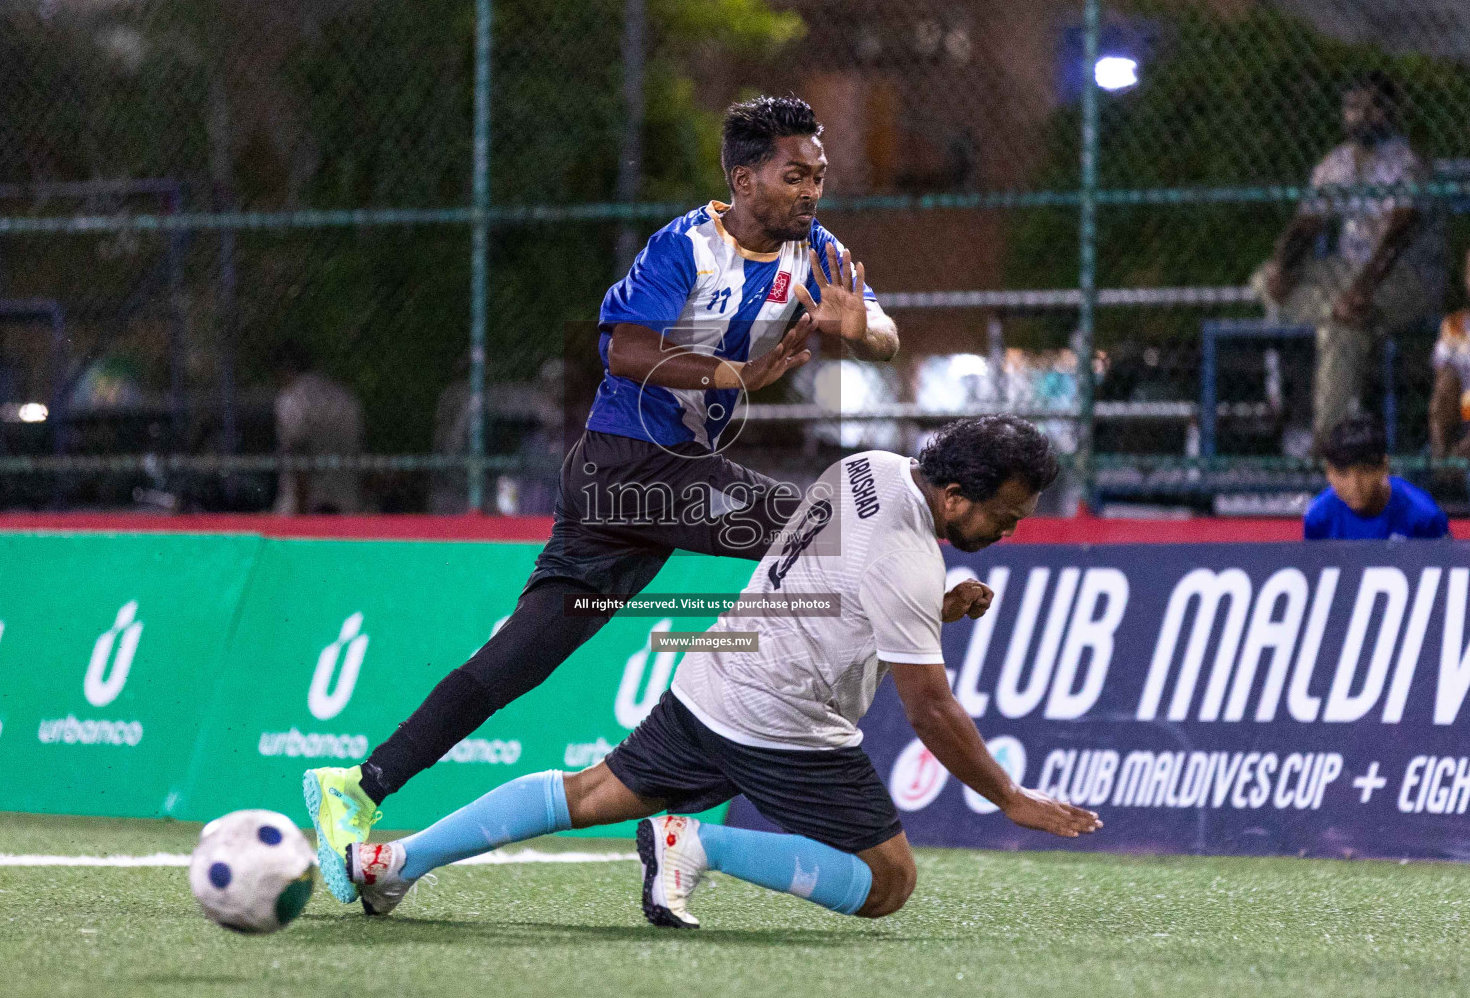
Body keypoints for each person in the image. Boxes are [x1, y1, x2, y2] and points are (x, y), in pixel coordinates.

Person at [305, 94, 902, 903]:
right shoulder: (688, 245)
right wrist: (742, 376)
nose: (811, 192)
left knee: (518, 661)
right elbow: (626, 352)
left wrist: (859, 328)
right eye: (795, 176)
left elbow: (883, 331)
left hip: (645, 485)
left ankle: (359, 784)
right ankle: (697, 803)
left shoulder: (815, 250)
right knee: (815, 534)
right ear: (744, 177)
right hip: (632, 469)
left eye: (819, 177)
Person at [340, 416, 1101, 924]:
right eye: (1007, 512)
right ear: (957, 496)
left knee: (591, 791)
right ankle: (697, 844)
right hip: (784, 724)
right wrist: (1010, 799)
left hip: (716, 680)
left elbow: (849, 571)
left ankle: (393, 860)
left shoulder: (873, 468)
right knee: (888, 884)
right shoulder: (909, 561)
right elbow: (931, 710)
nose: (1013, 526)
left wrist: (939, 598)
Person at [1253, 72, 1446, 447]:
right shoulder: (1337, 163)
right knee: (1264, 279)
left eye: (1374, 106)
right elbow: (1306, 224)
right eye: (1354, 107)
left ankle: (1327, 446)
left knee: (1342, 331)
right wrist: (1283, 266)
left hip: (1404, 276)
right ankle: (1337, 309)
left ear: (1392, 112)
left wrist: (1360, 291)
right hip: (1345, 274)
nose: (1363, 115)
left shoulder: (1408, 163)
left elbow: (1398, 235)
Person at [1304, 415, 1448, 540]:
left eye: (1365, 471)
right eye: (1343, 474)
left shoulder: (1424, 515)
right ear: (1329, 472)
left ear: (1384, 466)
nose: (1355, 485)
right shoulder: (1318, 517)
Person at [272, 345, 365, 515]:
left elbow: (297, 454)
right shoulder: (344, 397)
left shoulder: (291, 400)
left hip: (305, 503)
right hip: (346, 501)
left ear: (283, 370)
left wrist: (301, 511)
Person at [1429, 250, 1470, 462]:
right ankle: (1442, 463)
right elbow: (1443, 383)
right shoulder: (1454, 325)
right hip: (1465, 411)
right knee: (1445, 383)